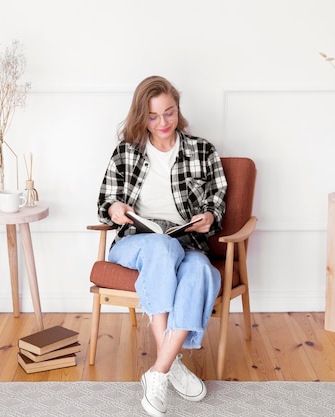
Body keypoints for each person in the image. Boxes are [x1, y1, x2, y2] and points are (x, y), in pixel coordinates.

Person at [96, 75, 227, 417]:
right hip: (136, 243)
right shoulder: (127, 152)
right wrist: (115, 209)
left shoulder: (202, 150)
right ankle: (172, 363)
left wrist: (210, 217)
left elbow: (218, 199)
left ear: (178, 109)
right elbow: (106, 200)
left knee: (201, 269)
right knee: (161, 248)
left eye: (169, 113)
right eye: (153, 117)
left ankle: (161, 369)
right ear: (142, 116)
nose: (163, 123)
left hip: (187, 242)